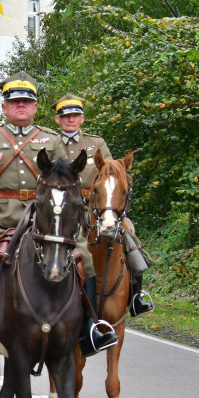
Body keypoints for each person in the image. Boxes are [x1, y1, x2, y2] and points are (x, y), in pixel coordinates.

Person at [0, 73, 117, 355]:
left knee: (83, 256)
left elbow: (67, 176)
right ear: (4, 108)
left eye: (27, 102)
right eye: (15, 102)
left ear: (36, 107)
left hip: (42, 214)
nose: (21, 107)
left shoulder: (50, 140)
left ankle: (90, 326)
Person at [54, 93, 153, 318]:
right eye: (66, 115)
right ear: (57, 119)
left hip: (94, 206)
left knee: (127, 231)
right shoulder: (50, 142)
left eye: (75, 115)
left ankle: (136, 295)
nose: (71, 119)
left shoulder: (95, 143)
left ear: (82, 118)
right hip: (62, 208)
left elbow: (112, 171)